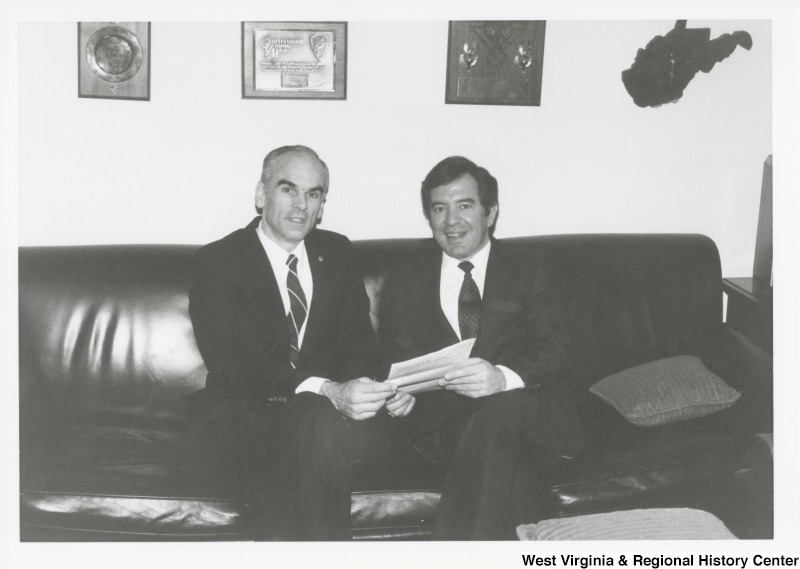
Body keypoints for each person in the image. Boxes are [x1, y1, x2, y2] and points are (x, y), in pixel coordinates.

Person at [186, 145, 396, 540]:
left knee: (318, 426)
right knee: (309, 424)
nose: (302, 205)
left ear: (322, 204)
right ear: (261, 195)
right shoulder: (218, 262)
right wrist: (328, 390)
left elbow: (359, 344)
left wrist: (382, 388)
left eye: (314, 194)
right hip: (246, 417)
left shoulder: (337, 252)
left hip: (329, 424)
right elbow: (234, 364)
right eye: (289, 189)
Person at [378, 156, 583, 540]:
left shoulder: (533, 267)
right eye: (440, 209)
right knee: (511, 476)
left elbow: (559, 345)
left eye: (465, 206)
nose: (451, 222)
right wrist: (399, 396)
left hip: (529, 416)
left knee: (499, 414)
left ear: (491, 213)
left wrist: (502, 378)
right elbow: (394, 362)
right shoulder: (405, 282)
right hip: (445, 428)